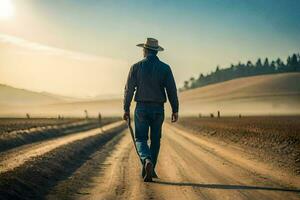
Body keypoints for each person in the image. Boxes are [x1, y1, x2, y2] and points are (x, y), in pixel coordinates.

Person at [123, 38, 179, 182]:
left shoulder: (136, 67)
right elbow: (172, 90)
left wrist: (126, 108)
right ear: (156, 51)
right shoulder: (165, 68)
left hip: (141, 107)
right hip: (158, 108)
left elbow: (129, 90)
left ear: (145, 50)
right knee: (155, 140)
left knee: (140, 138)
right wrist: (175, 109)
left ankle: (147, 160)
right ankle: (150, 168)